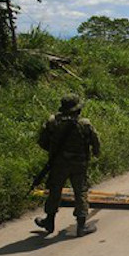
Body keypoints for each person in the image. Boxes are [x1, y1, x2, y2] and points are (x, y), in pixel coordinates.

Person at [34, 94, 101, 237]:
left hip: (59, 164)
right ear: (77, 110)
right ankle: (81, 226)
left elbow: (42, 142)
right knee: (80, 192)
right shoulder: (85, 124)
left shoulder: (53, 122)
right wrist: (96, 153)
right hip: (79, 164)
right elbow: (95, 142)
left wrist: (54, 153)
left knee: (55, 191)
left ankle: (49, 221)